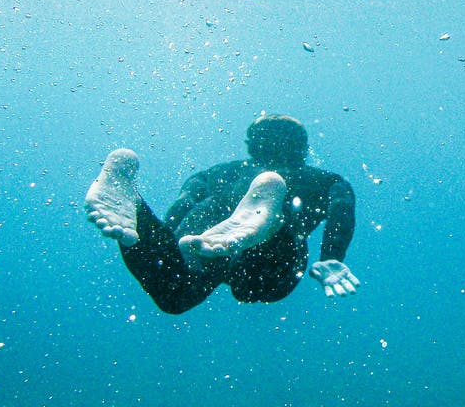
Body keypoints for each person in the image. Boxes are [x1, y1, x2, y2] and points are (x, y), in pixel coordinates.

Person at [84, 114, 360, 314]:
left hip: (201, 238)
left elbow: (183, 205)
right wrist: (331, 257)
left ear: (252, 145)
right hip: (270, 247)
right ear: (302, 148)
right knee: (263, 287)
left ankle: (135, 208)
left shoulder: (218, 172)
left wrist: (163, 241)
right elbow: (341, 210)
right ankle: (269, 221)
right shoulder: (323, 179)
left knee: (173, 295)